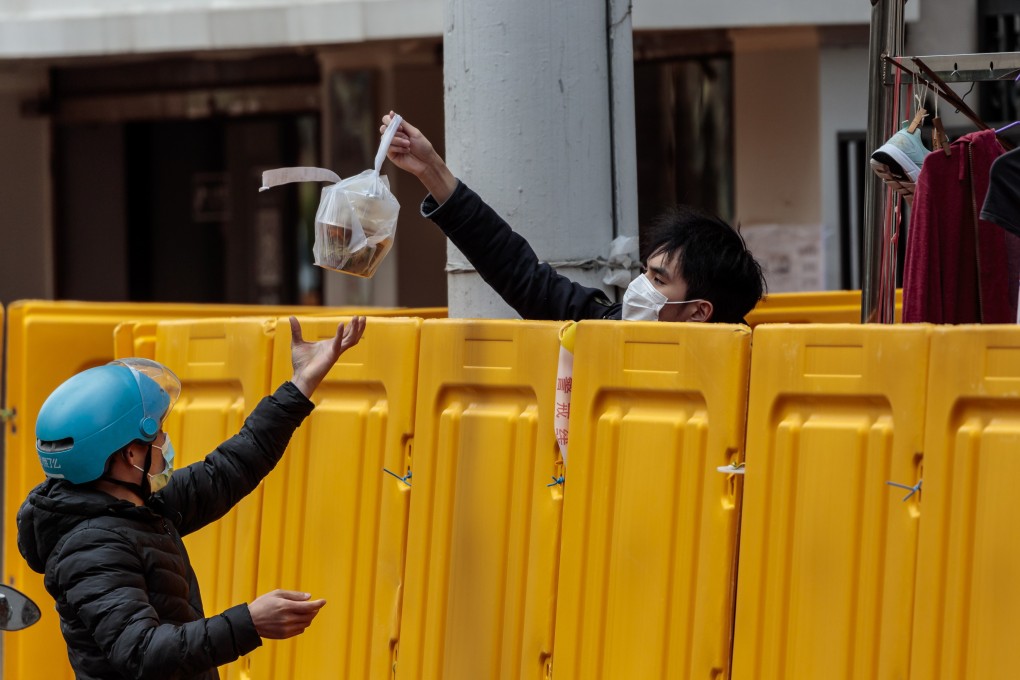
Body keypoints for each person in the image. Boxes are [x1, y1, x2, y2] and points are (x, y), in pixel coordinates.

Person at [17, 315, 367, 680]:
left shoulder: (137, 504)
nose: (164, 444)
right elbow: (141, 652)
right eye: (157, 435)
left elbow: (228, 470)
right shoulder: (91, 547)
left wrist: (301, 383)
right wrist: (250, 622)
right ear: (130, 455)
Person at [380, 112, 766, 323]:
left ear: (700, 311)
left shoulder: (742, 386)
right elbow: (519, 273)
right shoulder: (606, 327)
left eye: (659, 279)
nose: (639, 287)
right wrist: (431, 168)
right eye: (646, 272)